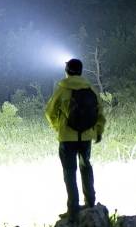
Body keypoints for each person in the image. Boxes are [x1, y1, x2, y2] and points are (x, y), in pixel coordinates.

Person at [44, 58, 106, 216]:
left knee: (70, 172)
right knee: (86, 167)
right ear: (80, 71)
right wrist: (98, 131)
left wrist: (58, 127)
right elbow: (99, 111)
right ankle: (90, 203)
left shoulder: (62, 88)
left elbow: (50, 111)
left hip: (67, 138)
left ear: (67, 71)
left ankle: (73, 209)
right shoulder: (90, 88)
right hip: (86, 137)